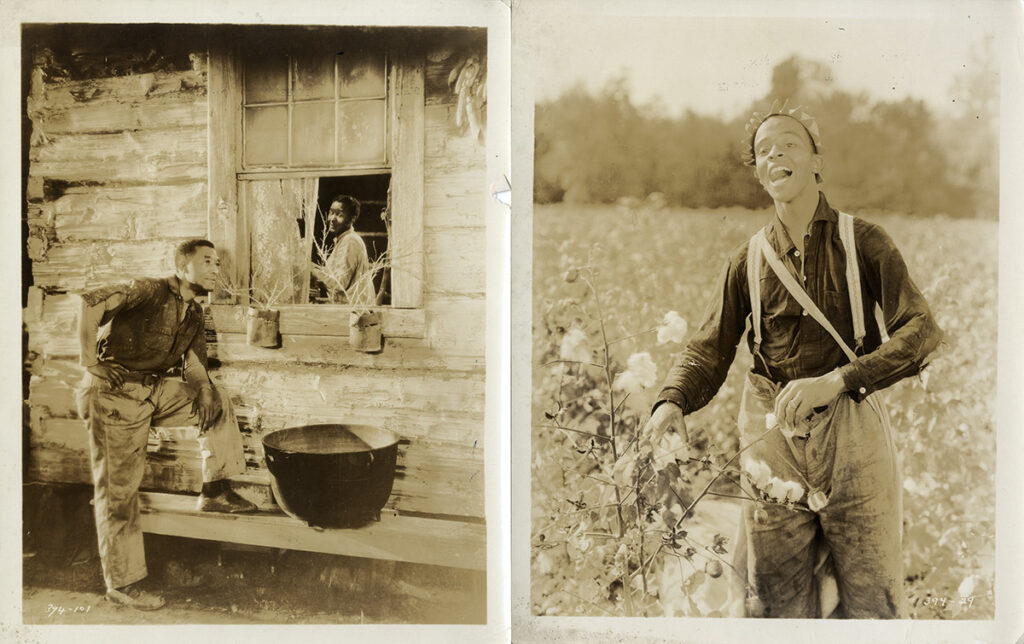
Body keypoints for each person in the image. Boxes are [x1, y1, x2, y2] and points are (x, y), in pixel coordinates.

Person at [642, 104, 943, 618]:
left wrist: (840, 379)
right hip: (772, 439)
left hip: (853, 430)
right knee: (773, 599)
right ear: (760, 174)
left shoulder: (863, 241)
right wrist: (671, 401)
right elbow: (709, 347)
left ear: (816, 162)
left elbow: (921, 331)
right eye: (763, 151)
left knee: (873, 597)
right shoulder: (746, 260)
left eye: (789, 144)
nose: (774, 154)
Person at [76, 238, 256, 611]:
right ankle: (123, 584)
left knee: (218, 399)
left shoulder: (192, 313)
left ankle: (215, 490)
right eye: (207, 261)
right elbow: (89, 302)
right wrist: (89, 362)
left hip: (151, 393)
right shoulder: (147, 290)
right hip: (112, 396)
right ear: (181, 266)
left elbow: (192, 362)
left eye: (218, 263)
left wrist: (204, 389)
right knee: (119, 490)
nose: (215, 269)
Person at [312, 194, 374, 306]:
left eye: (339, 214)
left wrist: (313, 271)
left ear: (352, 219)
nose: (332, 219)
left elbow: (339, 283)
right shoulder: (344, 239)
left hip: (353, 312)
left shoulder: (350, 241)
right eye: (331, 213)